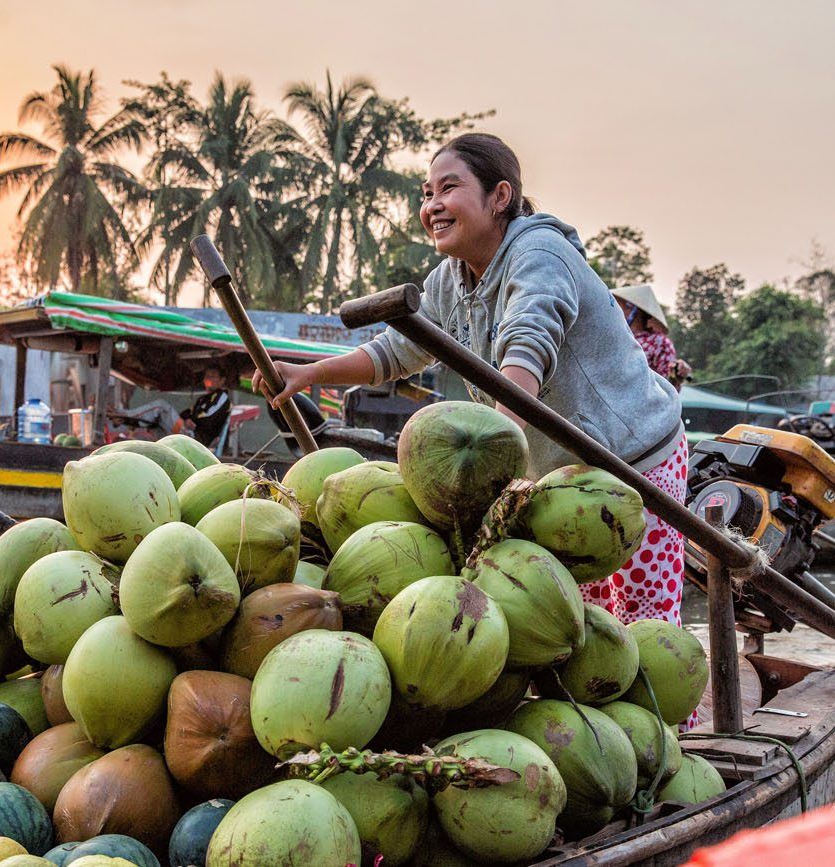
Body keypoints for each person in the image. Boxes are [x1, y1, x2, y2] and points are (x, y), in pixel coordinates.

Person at [254, 132, 689, 629]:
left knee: (644, 625)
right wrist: (310, 373)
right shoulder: (450, 279)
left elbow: (529, 341)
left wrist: (494, 455)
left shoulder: (540, 252)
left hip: (634, 462)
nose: (432, 206)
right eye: (427, 194)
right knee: (573, 623)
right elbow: (398, 349)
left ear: (499, 196)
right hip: (560, 482)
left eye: (448, 188)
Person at [613, 284, 693, 390]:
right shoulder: (617, 336)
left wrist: (676, 377)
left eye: (620, 306)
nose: (616, 311)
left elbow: (668, 388)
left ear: (634, 310)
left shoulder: (659, 342)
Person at [177, 366, 231, 451]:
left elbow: (208, 415)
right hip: (188, 433)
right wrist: (187, 419)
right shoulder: (202, 399)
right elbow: (186, 412)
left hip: (200, 440)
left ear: (222, 380)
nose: (209, 378)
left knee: (161, 406)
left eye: (213, 376)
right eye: (207, 376)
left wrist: (192, 420)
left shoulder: (222, 396)